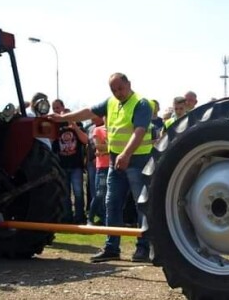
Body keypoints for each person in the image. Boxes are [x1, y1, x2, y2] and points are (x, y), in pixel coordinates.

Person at [49, 73, 153, 263]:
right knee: (111, 204)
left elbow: (139, 131)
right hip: (116, 163)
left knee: (142, 207)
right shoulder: (111, 102)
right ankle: (111, 247)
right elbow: (88, 112)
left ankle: (143, 249)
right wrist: (62, 117)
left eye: (120, 89)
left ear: (129, 84)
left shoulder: (142, 103)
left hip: (137, 162)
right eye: (113, 90)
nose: (117, 93)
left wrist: (126, 154)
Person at [51, 99, 88, 224]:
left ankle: (79, 217)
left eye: (58, 107)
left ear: (63, 107)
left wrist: (75, 127)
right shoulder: (55, 126)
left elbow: (85, 140)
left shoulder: (76, 122)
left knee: (78, 192)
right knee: (65, 193)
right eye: (54, 108)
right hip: (62, 165)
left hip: (76, 165)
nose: (56, 110)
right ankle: (67, 217)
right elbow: (53, 146)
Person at [87, 116, 109, 226]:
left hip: (114, 166)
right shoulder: (98, 130)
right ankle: (90, 218)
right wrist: (109, 148)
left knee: (110, 195)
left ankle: (107, 219)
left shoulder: (117, 131)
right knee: (99, 194)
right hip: (102, 167)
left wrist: (105, 149)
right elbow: (98, 146)